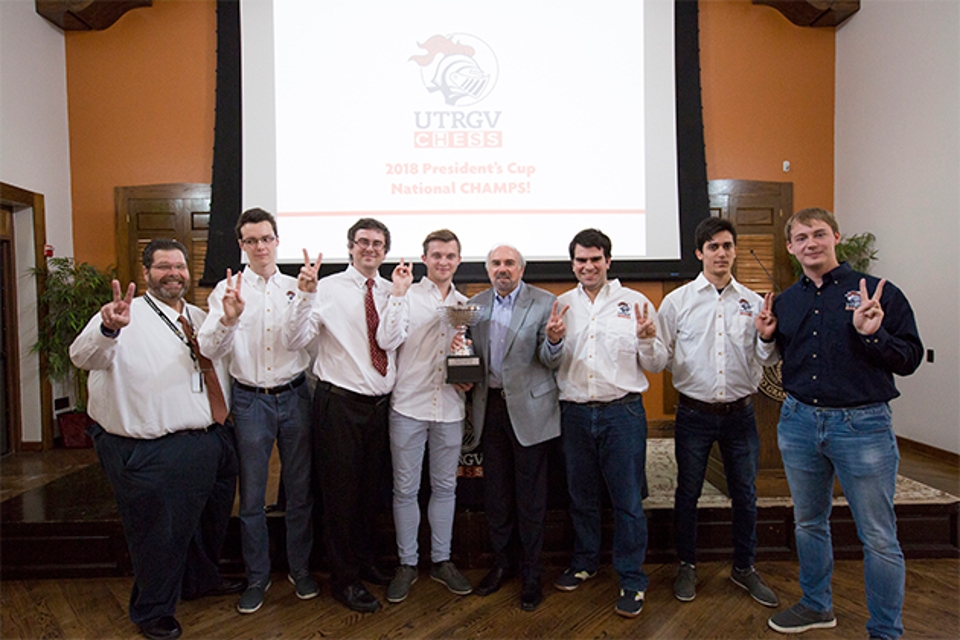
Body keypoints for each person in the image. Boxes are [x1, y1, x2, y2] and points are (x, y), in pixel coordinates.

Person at [762, 208, 923, 639]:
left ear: (835, 237)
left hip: (862, 426)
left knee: (878, 536)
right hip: (798, 422)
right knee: (808, 522)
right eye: (801, 237)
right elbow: (782, 358)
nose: (810, 243)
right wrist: (765, 336)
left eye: (818, 234)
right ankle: (817, 605)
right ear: (791, 247)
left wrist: (873, 333)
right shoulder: (787, 301)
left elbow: (908, 359)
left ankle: (885, 630)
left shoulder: (877, 293)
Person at [70, 239, 241, 640]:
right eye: (163, 266)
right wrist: (108, 327)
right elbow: (82, 356)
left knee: (207, 523)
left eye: (179, 266)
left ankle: (200, 580)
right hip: (153, 448)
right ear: (146, 272)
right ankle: (153, 610)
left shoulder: (201, 317)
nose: (174, 273)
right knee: (158, 535)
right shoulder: (123, 317)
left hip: (211, 438)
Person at [647, 217, 779, 607]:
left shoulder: (753, 303)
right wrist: (644, 341)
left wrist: (768, 336)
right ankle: (687, 565)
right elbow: (659, 359)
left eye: (727, 246)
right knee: (687, 493)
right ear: (699, 253)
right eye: (713, 247)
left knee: (745, 493)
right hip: (693, 414)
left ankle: (744, 567)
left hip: (741, 414)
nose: (721, 253)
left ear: (735, 250)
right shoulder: (677, 302)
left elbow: (765, 358)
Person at [282, 218, 411, 613]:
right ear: (350, 246)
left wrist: (401, 296)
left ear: (386, 251)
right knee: (340, 496)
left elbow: (388, 341)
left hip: (379, 407)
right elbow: (294, 339)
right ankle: (343, 580)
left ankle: (364, 560)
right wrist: (304, 296)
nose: (370, 249)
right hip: (338, 404)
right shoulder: (326, 289)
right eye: (362, 242)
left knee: (371, 492)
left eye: (377, 244)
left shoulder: (393, 290)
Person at [197, 208, 316, 614]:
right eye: (251, 240)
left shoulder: (296, 286)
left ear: (277, 240)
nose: (260, 246)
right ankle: (257, 578)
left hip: (296, 396)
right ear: (241, 245)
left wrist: (304, 298)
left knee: (300, 492)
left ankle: (300, 570)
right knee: (250, 498)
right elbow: (210, 349)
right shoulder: (226, 291)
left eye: (266, 238)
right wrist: (229, 320)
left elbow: (300, 341)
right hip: (250, 401)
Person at [549, 228, 662, 618]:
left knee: (628, 500)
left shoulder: (636, 303)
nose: (588, 266)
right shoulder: (560, 305)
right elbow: (550, 361)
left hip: (623, 413)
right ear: (573, 264)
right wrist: (553, 340)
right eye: (581, 260)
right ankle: (584, 561)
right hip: (575, 413)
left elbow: (657, 363)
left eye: (595, 259)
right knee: (581, 496)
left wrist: (647, 339)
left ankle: (632, 578)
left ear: (608, 261)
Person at [456, 243, 564, 612]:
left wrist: (553, 339)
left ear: (522, 268)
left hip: (531, 411)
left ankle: (532, 574)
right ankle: (504, 564)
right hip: (491, 411)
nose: (503, 269)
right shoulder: (476, 305)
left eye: (510, 263)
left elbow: (552, 361)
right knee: (497, 495)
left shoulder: (545, 302)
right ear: (488, 269)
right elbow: (468, 352)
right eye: (496, 263)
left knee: (531, 499)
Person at [376, 229, 473, 604]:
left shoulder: (466, 304)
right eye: (436, 255)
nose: (443, 261)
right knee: (405, 489)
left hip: (449, 408)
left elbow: (468, 360)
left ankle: (442, 560)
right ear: (424, 259)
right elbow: (387, 340)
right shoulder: (404, 296)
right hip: (409, 406)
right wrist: (398, 295)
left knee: (446, 488)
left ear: (459, 260)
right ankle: (407, 563)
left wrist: (464, 372)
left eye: (450, 255)